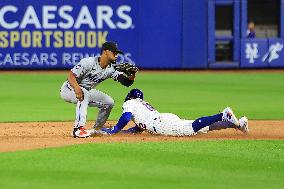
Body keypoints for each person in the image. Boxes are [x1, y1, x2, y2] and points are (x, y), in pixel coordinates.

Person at [60, 41, 135, 138]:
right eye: (114, 52)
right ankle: (78, 129)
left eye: (117, 53)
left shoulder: (111, 69)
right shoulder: (88, 62)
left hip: (85, 91)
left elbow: (126, 82)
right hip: (69, 89)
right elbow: (71, 76)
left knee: (109, 102)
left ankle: (97, 129)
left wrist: (132, 75)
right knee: (84, 93)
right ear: (105, 52)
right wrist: (77, 88)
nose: (116, 55)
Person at [97, 89, 249, 136]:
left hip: (162, 124)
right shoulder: (141, 104)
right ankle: (237, 124)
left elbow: (126, 116)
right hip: (164, 118)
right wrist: (125, 132)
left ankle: (223, 115)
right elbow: (138, 127)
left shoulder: (130, 103)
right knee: (203, 128)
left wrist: (115, 130)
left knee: (191, 128)